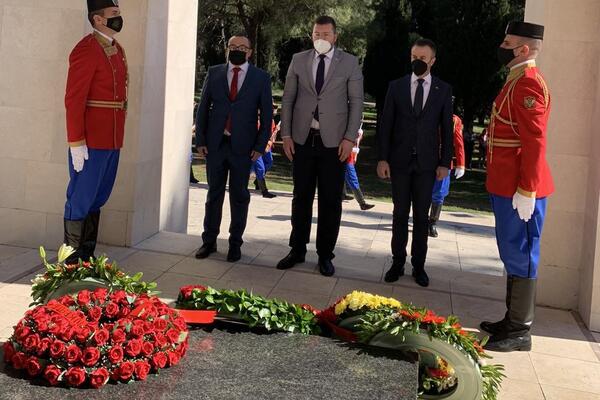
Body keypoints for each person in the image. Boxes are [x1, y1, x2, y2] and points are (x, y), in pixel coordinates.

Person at [480, 21, 553, 352]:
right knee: (511, 251)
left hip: (518, 188)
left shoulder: (527, 84)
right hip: (506, 184)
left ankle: (520, 330)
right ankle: (512, 320)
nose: (502, 46)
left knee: (522, 253)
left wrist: (528, 189)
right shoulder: (515, 80)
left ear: (524, 49)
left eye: (507, 42)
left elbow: (535, 142)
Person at [276, 15, 364, 277]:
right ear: (311, 35)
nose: (320, 38)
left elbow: (356, 102)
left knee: (330, 200)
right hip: (302, 140)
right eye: (316, 34)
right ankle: (297, 249)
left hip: (334, 144)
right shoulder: (298, 60)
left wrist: (349, 138)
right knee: (300, 197)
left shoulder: (349, 62)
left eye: (326, 34)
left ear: (335, 36)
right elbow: (288, 99)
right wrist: (286, 135)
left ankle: (325, 254)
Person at [377, 38, 453, 287]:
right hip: (399, 162)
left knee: (421, 217)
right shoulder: (396, 86)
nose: (417, 62)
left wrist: (445, 162)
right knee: (399, 214)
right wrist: (383, 158)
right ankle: (397, 262)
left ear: (432, 61)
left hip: (427, 165)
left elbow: (447, 130)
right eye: (414, 57)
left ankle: (419, 266)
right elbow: (386, 125)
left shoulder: (443, 89)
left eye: (422, 58)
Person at [194, 34, 273, 262]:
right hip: (216, 145)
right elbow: (203, 108)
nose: (237, 50)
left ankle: (235, 244)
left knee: (239, 196)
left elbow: (266, 114)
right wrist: (200, 140)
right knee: (213, 195)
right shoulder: (215, 72)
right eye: (233, 46)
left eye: (242, 47)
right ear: (227, 49)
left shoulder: (260, 78)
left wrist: (260, 145)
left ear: (250, 52)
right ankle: (209, 242)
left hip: (244, 148)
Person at [63, 0, 127, 264]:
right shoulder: (86, 49)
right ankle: (70, 262)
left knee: (99, 196)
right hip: (91, 140)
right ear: (98, 19)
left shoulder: (116, 48)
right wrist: (76, 141)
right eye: (114, 14)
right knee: (81, 198)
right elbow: (74, 99)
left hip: (111, 138)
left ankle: (86, 257)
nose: (118, 17)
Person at [428, 113, 465, 237]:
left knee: (439, 193)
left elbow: (458, 142)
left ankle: (432, 222)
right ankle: (421, 219)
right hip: (425, 160)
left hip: (444, 162)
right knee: (421, 191)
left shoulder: (454, 120)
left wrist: (461, 164)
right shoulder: (426, 113)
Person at [251, 103, 279, 198]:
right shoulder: (257, 120)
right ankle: (264, 190)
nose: (274, 110)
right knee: (260, 168)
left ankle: (257, 180)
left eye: (274, 108)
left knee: (269, 162)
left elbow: (272, 136)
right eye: (272, 108)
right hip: (257, 147)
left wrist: (272, 138)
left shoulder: (271, 121)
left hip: (266, 147)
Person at [345, 126, 374, 210]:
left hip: (350, 157)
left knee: (344, 177)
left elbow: (356, 145)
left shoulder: (357, 129)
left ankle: (342, 194)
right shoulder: (350, 128)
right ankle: (362, 203)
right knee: (353, 179)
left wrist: (355, 156)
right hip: (347, 157)